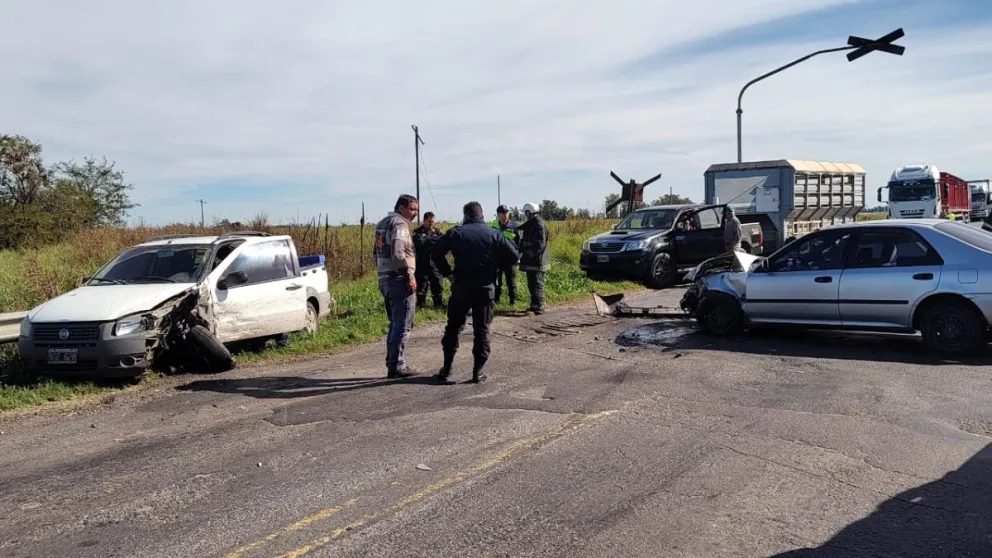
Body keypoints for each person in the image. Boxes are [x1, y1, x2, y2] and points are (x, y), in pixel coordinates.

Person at [431, 201, 520, 384]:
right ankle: (477, 372)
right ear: (482, 215)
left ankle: (446, 369)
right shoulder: (493, 233)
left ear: (465, 215)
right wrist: (495, 264)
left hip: (461, 287)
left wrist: (448, 273)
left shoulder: (456, 232)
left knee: (453, 328)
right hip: (485, 289)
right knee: (482, 330)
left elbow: (435, 253)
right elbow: (513, 256)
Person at [373, 194, 419, 378]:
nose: (414, 213)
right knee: (403, 324)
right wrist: (408, 275)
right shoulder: (400, 225)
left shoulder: (381, 224)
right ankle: (397, 365)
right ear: (401, 208)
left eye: (416, 209)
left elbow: (375, 253)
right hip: (399, 279)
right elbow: (398, 252)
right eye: (412, 209)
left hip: (384, 279)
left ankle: (393, 361)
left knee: (395, 323)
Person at [517, 202, 550, 315]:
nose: (525, 215)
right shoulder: (532, 223)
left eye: (525, 213)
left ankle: (539, 307)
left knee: (537, 283)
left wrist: (528, 254)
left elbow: (539, 244)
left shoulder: (539, 224)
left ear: (529, 212)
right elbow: (522, 227)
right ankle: (534, 305)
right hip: (531, 260)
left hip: (537, 260)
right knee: (531, 283)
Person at [413, 211, 445, 309]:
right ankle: (421, 305)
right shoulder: (418, 232)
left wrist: (431, 241)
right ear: (424, 221)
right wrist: (433, 241)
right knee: (422, 285)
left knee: (437, 284)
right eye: (429, 221)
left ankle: (438, 305)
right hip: (422, 263)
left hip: (435, 263)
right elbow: (420, 245)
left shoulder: (438, 231)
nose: (432, 224)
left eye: (433, 221)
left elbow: (443, 244)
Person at [490, 205, 520, 306]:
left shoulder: (514, 226)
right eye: (503, 213)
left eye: (507, 212)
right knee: (497, 281)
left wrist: (518, 256)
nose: (506, 214)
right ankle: (496, 299)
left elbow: (519, 242)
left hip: (510, 258)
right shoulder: (494, 226)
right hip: (497, 258)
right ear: (498, 214)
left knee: (511, 281)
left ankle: (513, 301)